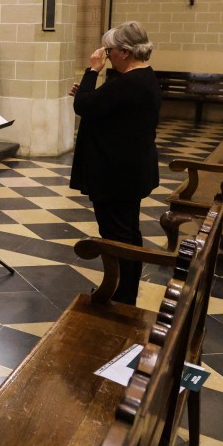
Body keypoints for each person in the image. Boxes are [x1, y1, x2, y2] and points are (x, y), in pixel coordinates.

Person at [69, 21, 161, 306]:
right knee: (128, 232)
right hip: (129, 171)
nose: (105, 56)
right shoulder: (144, 78)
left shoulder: (128, 83)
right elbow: (101, 106)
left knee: (117, 236)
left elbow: (83, 107)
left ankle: (121, 295)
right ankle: (125, 290)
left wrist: (92, 71)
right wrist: (89, 93)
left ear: (124, 51)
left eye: (108, 51)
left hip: (115, 175)